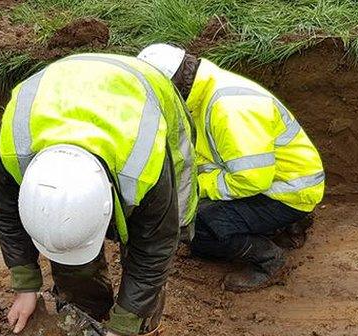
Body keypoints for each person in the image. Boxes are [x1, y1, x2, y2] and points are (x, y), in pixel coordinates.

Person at [0, 53, 196, 336]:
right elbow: (5, 212)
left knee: (165, 238)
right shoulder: (12, 149)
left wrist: (120, 333)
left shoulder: (144, 167)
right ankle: (91, 327)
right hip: (61, 89)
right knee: (75, 272)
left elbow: (154, 250)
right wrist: (25, 284)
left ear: (108, 209)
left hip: (148, 94)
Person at [138, 44, 325, 291]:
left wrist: (194, 188)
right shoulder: (204, 91)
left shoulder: (229, 108)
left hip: (286, 191)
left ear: (172, 84)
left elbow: (252, 179)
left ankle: (268, 260)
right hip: (282, 180)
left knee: (198, 228)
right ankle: (286, 224)